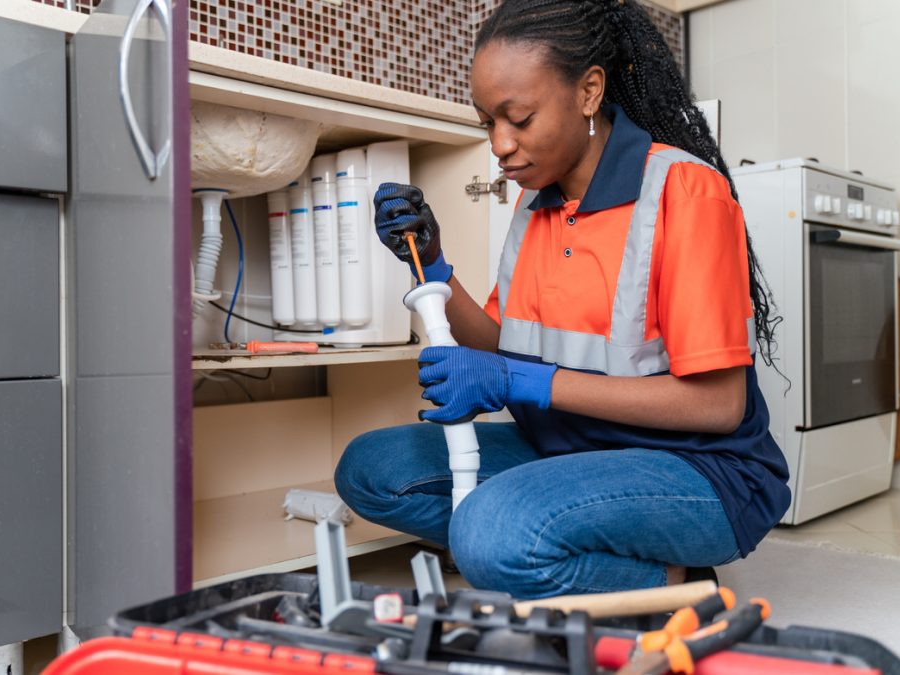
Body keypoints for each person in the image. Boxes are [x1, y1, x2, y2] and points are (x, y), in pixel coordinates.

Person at [333, 0, 791, 599]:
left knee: (489, 536)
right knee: (371, 470)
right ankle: (579, 538)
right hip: (569, 447)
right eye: (487, 122)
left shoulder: (684, 192)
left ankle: (676, 585)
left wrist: (519, 383)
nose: (499, 145)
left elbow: (717, 408)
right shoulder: (537, 200)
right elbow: (504, 340)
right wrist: (435, 262)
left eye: (519, 118)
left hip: (698, 469)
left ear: (589, 92)